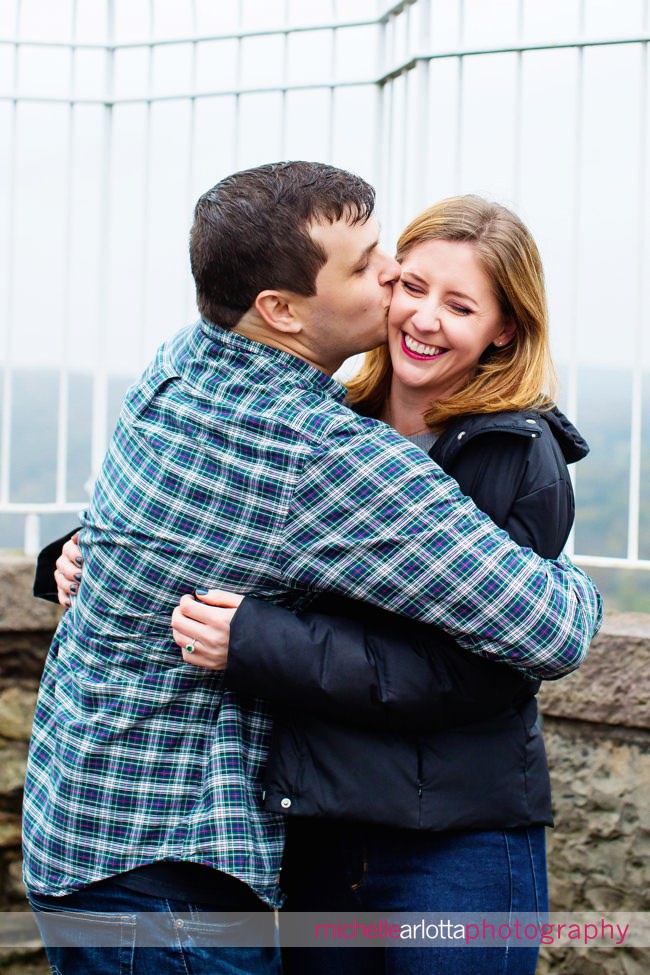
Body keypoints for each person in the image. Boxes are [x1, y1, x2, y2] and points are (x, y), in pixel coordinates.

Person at [26, 163, 602, 975]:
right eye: (371, 264)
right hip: (174, 875)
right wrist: (570, 579)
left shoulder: (184, 362)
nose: (395, 279)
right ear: (282, 310)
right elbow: (555, 626)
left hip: (100, 835)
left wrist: (101, 556)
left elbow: (182, 514)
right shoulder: (326, 452)